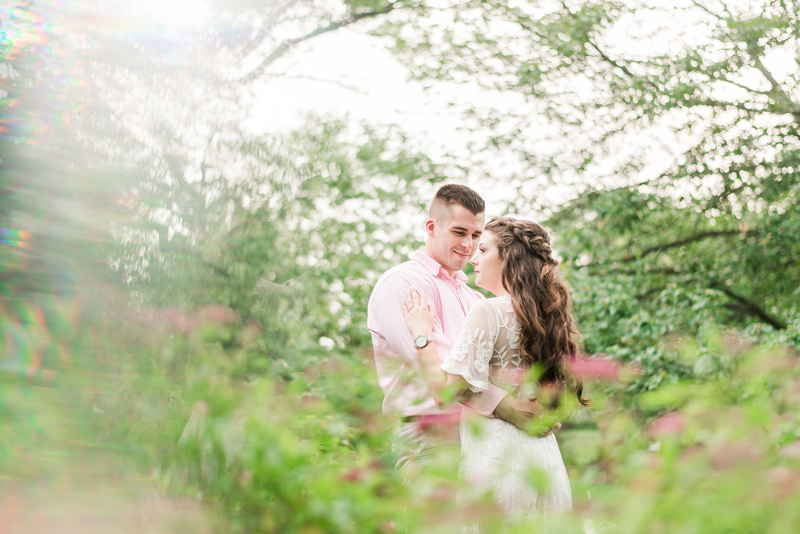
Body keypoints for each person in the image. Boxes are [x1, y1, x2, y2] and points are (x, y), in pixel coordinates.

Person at [402, 216, 590, 530]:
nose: (473, 257)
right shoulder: (548, 317)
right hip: (544, 459)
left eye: (484, 249)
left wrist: (422, 334)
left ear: (509, 257)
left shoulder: (488, 310)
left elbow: (445, 392)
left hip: (499, 461)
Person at [367, 186, 555, 479]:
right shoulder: (401, 284)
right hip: (431, 438)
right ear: (431, 227)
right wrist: (508, 406)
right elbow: (446, 376)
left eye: (476, 235)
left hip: (486, 436)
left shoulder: (475, 299)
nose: (468, 244)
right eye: (459, 232)